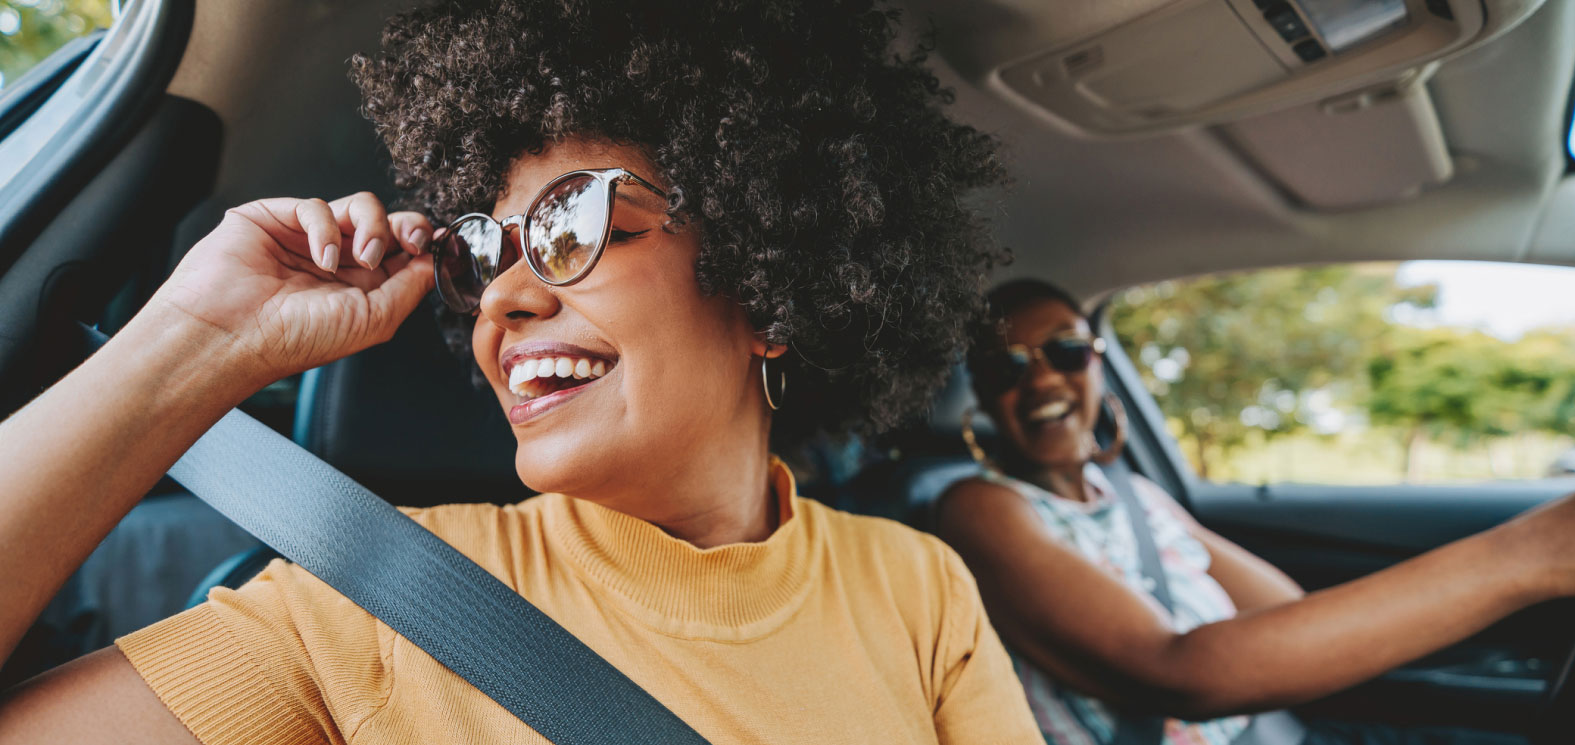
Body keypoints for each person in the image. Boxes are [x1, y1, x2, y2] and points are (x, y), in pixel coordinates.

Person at [0, 1, 1045, 742]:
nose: (502, 297)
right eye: (484, 255)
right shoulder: (375, 601)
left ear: (772, 285)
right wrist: (191, 341)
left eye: (572, 224)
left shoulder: (917, 589)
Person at [936, 279, 1575, 745]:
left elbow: (1281, 609)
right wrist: (1534, 555)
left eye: (1067, 350)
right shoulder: (979, 509)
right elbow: (1177, 670)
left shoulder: (1136, 496)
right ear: (983, 401)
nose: (1044, 378)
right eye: (1005, 367)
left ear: (1099, 365)